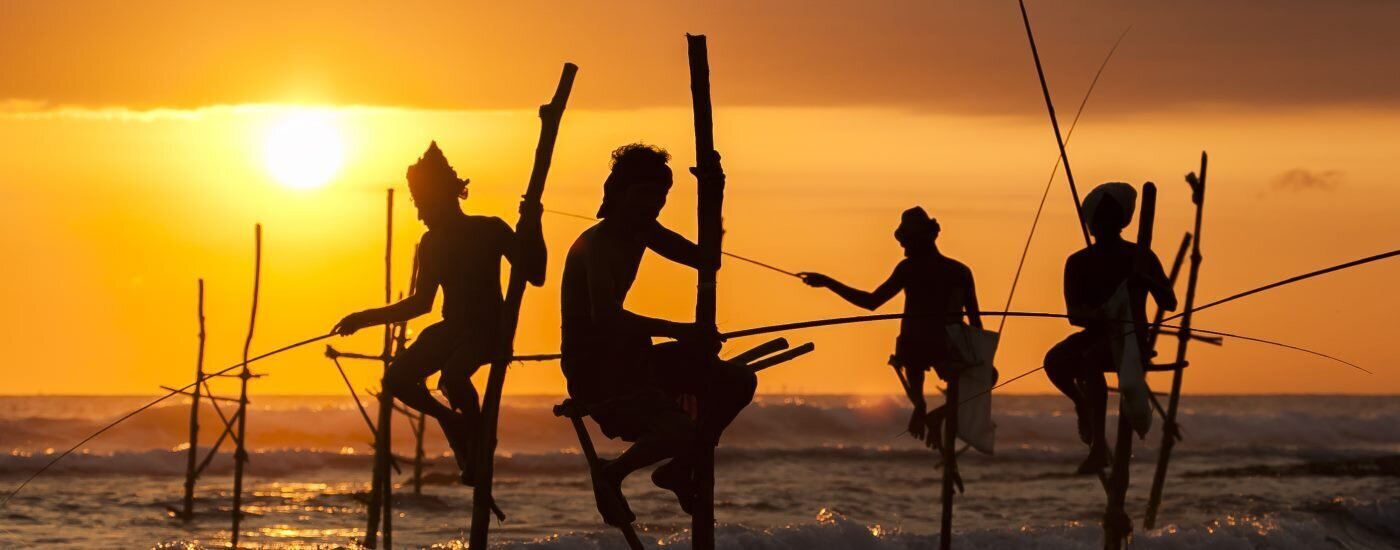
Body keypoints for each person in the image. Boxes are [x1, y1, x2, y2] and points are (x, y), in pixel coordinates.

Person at [560, 143, 757, 526]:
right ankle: (612, 474)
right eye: (644, 194)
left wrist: (714, 192)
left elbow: (707, 260)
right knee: (678, 428)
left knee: (737, 381)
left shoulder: (643, 232)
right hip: (596, 370)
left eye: (661, 196)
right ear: (617, 193)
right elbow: (605, 317)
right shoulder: (595, 245)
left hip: (635, 358)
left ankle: (680, 469)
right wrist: (681, 332)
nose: (654, 204)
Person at [332, 141, 545, 483]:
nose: (419, 214)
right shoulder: (430, 244)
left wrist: (534, 224)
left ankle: (477, 444)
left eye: (422, 203)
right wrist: (364, 318)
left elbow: (535, 274)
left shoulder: (488, 229)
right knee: (397, 378)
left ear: (446, 196)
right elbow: (420, 304)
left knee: (453, 377)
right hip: (451, 329)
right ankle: (453, 422)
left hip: (488, 330)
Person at [800, 207, 984, 450]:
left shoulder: (911, 269)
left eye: (906, 242)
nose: (903, 248)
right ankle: (931, 410)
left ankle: (923, 407)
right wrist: (980, 360)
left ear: (919, 240)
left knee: (919, 352)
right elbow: (976, 323)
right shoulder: (959, 270)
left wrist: (827, 282)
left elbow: (871, 302)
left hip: (921, 349)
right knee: (984, 377)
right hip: (936, 348)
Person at [1042, 182, 1176, 474]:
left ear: (1120, 222)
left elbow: (1170, 301)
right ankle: (1082, 404)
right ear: (1090, 225)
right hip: (1096, 334)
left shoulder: (1139, 256)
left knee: (1090, 359)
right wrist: (1099, 314)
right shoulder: (1079, 261)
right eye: (1098, 220)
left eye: (1109, 219)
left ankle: (1099, 448)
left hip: (1132, 340)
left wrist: (1147, 281)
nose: (1103, 225)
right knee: (1053, 361)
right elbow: (1073, 315)